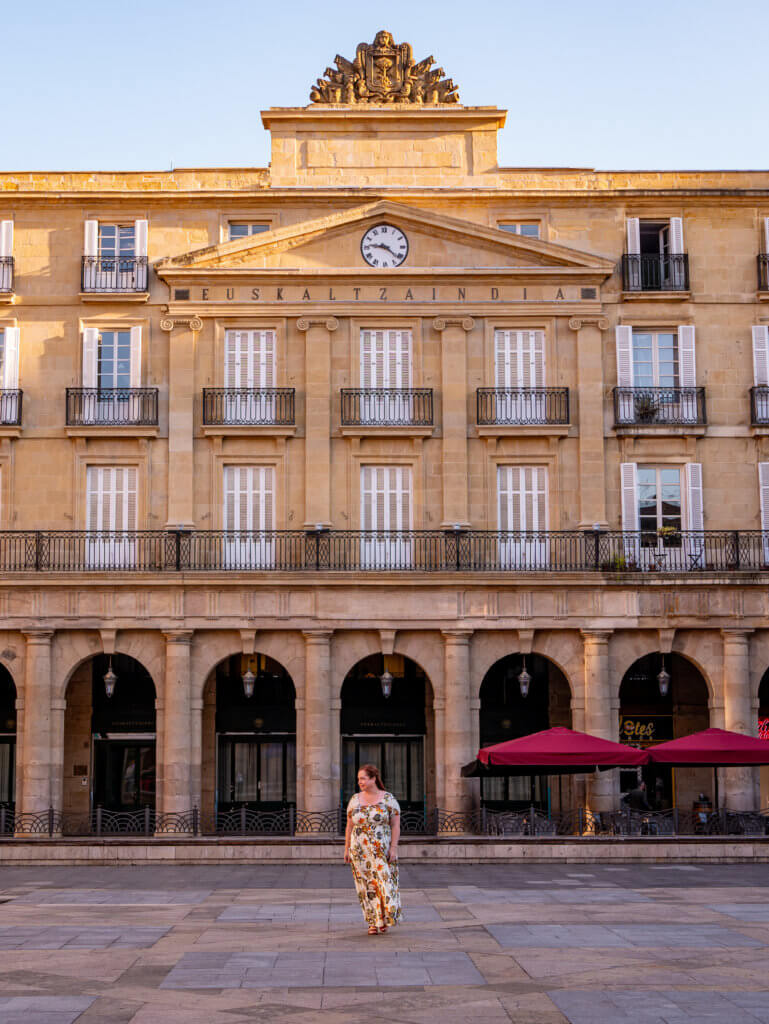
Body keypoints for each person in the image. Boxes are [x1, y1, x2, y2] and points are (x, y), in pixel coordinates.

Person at [344, 763, 402, 935]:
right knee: (365, 887)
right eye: (358, 779)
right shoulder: (355, 799)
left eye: (363, 778)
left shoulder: (388, 799)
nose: (360, 782)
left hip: (381, 851)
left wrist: (393, 848)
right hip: (359, 852)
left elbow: (396, 825)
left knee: (384, 885)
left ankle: (383, 917)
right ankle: (373, 922)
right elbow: (349, 826)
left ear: (373, 778)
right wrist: (347, 848)